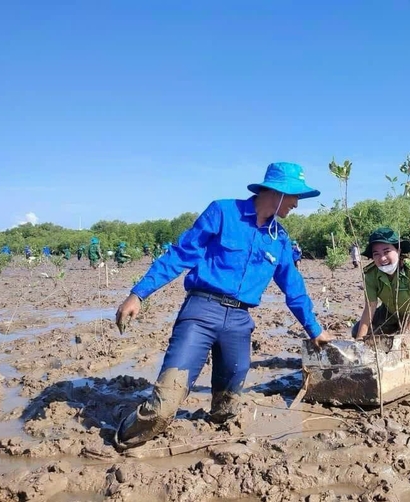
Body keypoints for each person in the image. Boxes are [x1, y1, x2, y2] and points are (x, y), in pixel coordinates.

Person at [113, 162, 335, 450]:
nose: (296, 204)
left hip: (239, 323)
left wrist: (314, 330)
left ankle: (211, 445)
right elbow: (179, 255)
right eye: (294, 196)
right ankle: (122, 438)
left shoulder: (279, 239)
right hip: (201, 312)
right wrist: (138, 294)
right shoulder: (222, 212)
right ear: (278, 192)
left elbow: (294, 288)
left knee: (227, 409)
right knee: (163, 406)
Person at [351, 228, 410, 379]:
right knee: (358, 332)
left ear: (398, 251)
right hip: (391, 313)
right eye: (376, 254)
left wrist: (405, 334)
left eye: (387, 251)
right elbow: (370, 307)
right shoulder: (371, 274)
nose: (382, 258)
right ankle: (381, 358)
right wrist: (360, 341)